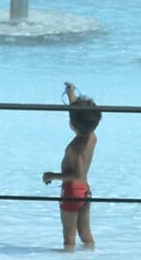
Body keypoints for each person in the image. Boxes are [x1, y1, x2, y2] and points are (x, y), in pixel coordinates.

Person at [42, 82, 101, 252]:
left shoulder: (76, 149)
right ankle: (92, 254)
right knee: (85, 233)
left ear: (73, 125)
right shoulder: (92, 136)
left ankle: (68, 255)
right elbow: (82, 118)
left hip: (72, 191)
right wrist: (71, 96)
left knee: (69, 237)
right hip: (85, 191)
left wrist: (51, 176)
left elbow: (76, 174)